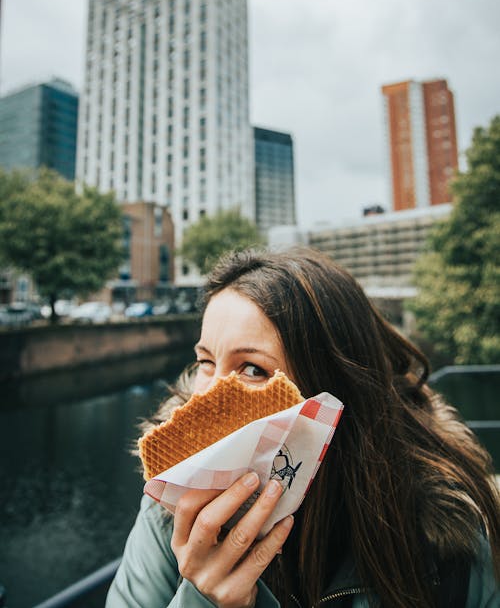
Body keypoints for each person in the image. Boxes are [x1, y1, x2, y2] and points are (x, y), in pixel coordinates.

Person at [106, 247, 500, 608]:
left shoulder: (444, 535)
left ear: (332, 389)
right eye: (206, 361)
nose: (205, 396)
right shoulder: (169, 509)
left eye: (252, 369)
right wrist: (201, 600)